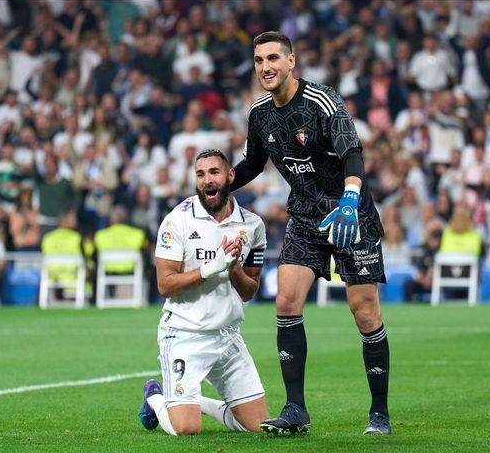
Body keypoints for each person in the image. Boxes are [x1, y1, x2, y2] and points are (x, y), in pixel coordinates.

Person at [231, 31, 391, 435]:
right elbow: (252, 163)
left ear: (291, 62)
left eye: (272, 59)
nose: (265, 67)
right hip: (304, 214)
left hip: (349, 214)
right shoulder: (260, 113)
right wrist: (221, 182)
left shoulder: (322, 101)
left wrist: (351, 200)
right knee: (285, 301)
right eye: (258, 60)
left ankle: (379, 413)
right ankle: (296, 410)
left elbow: (352, 153)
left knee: (364, 311)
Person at [139, 149, 269, 436]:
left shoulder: (253, 226)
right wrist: (211, 268)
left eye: (214, 172)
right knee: (186, 428)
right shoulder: (178, 220)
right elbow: (164, 285)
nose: (207, 180)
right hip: (186, 333)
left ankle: (194, 401)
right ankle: (156, 397)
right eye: (200, 174)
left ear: (230, 176)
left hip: (227, 336)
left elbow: (249, 291)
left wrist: (234, 268)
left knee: (258, 428)